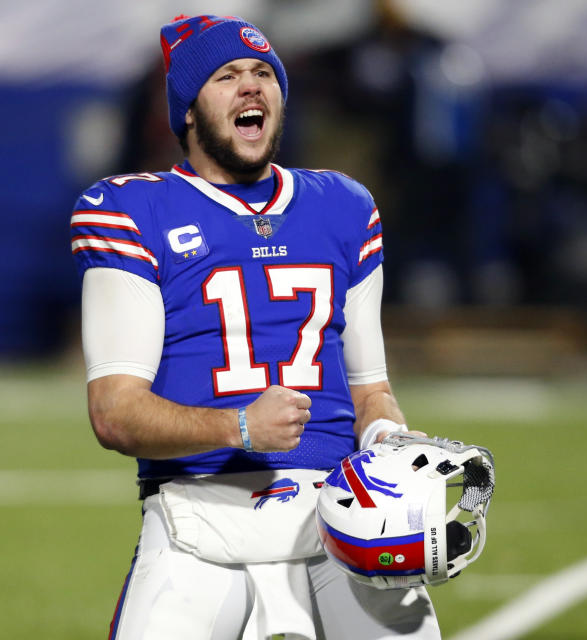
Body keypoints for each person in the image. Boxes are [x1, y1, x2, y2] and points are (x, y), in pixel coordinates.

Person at [70, 14, 441, 640]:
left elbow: (369, 389)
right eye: (227, 75)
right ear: (188, 109)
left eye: (263, 73)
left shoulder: (343, 206)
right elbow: (115, 414)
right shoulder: (135, 210)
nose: (251, 86)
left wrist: (386, 440)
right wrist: (239, 426)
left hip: (340, 519)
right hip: (199, 518)